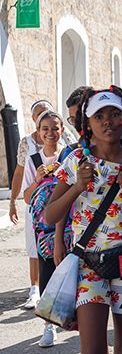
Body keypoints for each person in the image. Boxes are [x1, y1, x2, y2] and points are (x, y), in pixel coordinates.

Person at [46, 86, 122, 354]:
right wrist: (77, 187)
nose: (107, 121)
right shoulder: (76, 161)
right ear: (87, 122)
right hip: (89, 263)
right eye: (99, 116)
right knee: (93, 349)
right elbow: (50, 214)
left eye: (114, 114)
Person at [21, 110, 65, 347]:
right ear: (38, 133)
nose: (50, 133)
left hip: (69, 225)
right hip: (45, 230)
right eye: (45, 129)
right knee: (47, 274)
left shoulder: (69, 156)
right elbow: (27, 198)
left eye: (55, 128)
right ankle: (48, 326)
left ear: (62, 130)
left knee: (70, 272)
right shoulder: (33, 161)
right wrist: (38, 179)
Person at [9, 100, 53, 310]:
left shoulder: (64, 143)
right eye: (39, 115)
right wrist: (12, 201)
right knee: (34, 246)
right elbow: (19, 172)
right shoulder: (27, 144)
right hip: (36, 202)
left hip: (59, 204)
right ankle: (35, 288)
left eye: (47, 113)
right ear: (35, 121)